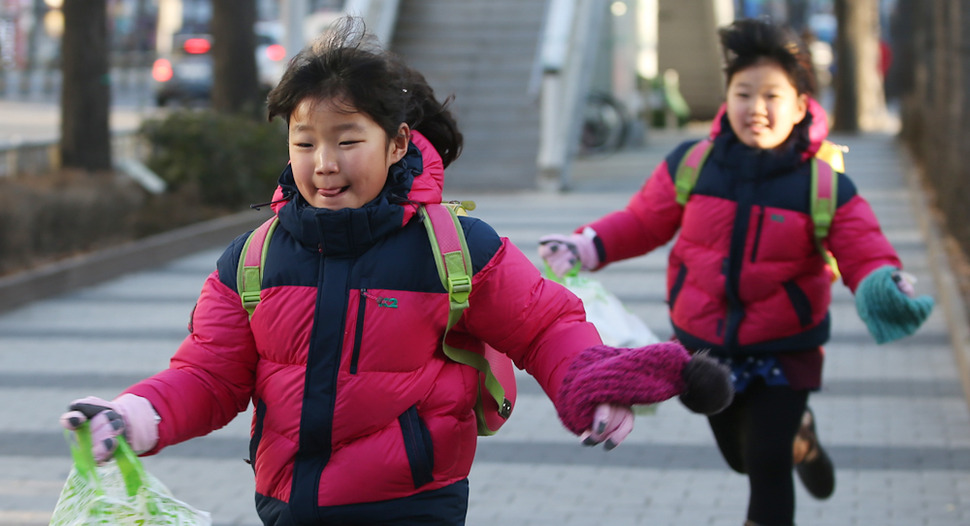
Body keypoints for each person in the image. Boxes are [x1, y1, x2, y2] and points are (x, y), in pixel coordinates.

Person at [58, 17, 733, 526]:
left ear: (399, 142)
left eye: (347, 141)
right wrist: (135, 414)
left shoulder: (454, 248)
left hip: (415, 501)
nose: (324, 163)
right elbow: (209, 373)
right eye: (305, 143)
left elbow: (545, 326)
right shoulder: (253, 260)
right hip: (286, 502)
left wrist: (587, 379)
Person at [539, 18, 934, 526]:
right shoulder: (693, 164)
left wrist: (885, 280)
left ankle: (790, 438)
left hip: (785, 349)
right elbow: (643, 221)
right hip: (704, 346)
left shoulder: (823, 184)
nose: (758, 109)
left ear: (799, 106)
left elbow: (863, 247)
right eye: (744, 93)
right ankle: (803, 441)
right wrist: (588, 245)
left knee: (767, 465)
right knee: (741, 458)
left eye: (773, 95)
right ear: (728, 98)